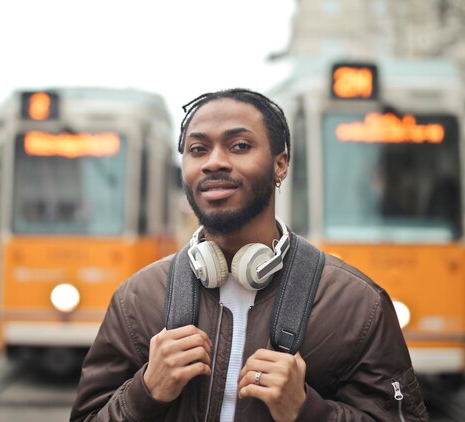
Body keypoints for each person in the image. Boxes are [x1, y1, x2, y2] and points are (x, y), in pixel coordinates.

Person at [70, 88, 428, 421]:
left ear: (280, 165)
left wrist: (306, 411)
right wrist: (145, 391)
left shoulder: (357, 305)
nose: (214, 162)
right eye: (198, 150)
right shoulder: (136, 300)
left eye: (239, 146)